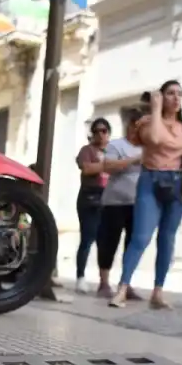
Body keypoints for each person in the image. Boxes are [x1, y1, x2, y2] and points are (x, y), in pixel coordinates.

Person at [109, 80, 182, 309]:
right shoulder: (147, 122)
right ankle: (122, 288)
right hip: (150, 182)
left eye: (180, 94)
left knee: (167, 239)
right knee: (140, 237)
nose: (176, 98)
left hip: (177, 184)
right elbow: (156, 139)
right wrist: (156, 108)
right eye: (170, 93)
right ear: (160, 97)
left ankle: (158, 292)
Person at [95, 107, 146, 300]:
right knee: (108, 242)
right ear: (129, 126)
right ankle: (104, 283)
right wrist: (134, 160)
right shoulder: (116, 145)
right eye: (134, 126)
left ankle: (126, 284)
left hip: (138, 204)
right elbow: (108, 167)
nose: (136, 131)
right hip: (114, 202)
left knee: (132, 244)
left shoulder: (147, 148)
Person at [73, 118, 111, 294]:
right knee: (87, 239)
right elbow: (86, 168)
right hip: (90, 198)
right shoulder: (86, 150)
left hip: (108, 198)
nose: (100, 134)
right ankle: (80, 277)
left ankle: (104, 282)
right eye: (96, 131)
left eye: (104, 131)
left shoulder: (113, 150)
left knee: (105, 242)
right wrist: (107, 165)